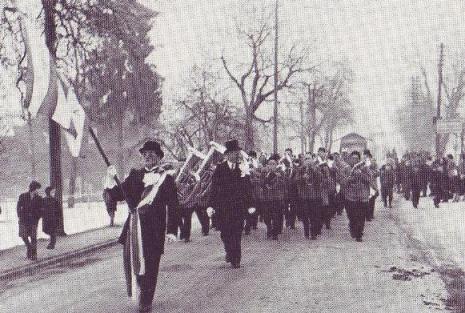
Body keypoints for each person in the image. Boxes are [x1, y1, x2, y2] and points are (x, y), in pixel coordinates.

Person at [103, 140, 179, 313]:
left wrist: (172, 230)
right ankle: (142, 288)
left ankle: (146, 300)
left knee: (151, 265)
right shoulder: (135, 175)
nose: (148, 157)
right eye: (145, 155)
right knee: (137, 263)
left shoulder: (166, 179)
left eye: (152, 154)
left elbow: (174, 206)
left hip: (155, 230)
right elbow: (116, 195)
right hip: (134, 228)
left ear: (159, 158)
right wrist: (110, 178)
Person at [207, 139, 254, 268]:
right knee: (225, 233)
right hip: (223, 208)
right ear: (227, 155)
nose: (236, 155)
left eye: (237, 152)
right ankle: (229, 251)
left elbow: (248, 188)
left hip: (238, 207)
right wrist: (210, 205)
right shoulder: (220, 169)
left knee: (237, 233)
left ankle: (236, 258)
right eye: (233, 153)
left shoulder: (242, 168)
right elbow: (214, 188)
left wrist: (250, 204)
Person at [337, 151, 377, 242]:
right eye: (353, 158)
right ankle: (353, 227)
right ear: (350, 159)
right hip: (350, 197)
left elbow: (370, 179)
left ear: (359, 159)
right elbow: (342, 181)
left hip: (363, 197)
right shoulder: (346, 169)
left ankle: (359, 234)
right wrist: (352, 177)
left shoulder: (365, 168)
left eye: (357, 158)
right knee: (352, 216)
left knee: (361, 216)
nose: (355, 160)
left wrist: (361, 174)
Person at [295, 154, 323, 240]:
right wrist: (303, 178)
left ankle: (313, 233)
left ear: (312, 160)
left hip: (314, 196)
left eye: (309, 159)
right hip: (304, 196)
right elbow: (295, 180)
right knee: (305, 215)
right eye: (306, 159)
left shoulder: (316, 168)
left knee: (314, 215)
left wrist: (314, 170)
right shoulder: (300, 169)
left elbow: (320, 179)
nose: (307, 161)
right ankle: (306, 232)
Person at [261, 156, 287, 240]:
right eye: (270, 164)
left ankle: (275, 233)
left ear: (276, 165)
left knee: (276, 216)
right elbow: (261, 183)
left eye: (273, 164)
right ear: (267, 165)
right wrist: (267, 177)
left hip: (277, 198)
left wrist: (278, 177)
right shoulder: (264, 173)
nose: (271, 166)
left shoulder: (281, 173)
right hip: (267, 198)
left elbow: (284, 183)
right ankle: (269, 227)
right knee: (266, 217)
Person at [17, 181, 43, 260]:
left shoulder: (39, 198)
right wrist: (20, 216)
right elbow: (18, 207)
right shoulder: (23, 196)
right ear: (33, 188)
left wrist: (37, 216)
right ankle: (29, 247)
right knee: (23, 236)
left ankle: (34, 254)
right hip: (24, 220)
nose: (37, 191)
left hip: (34, 220)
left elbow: (41, 209)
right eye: (36, 189)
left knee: (33, 237)